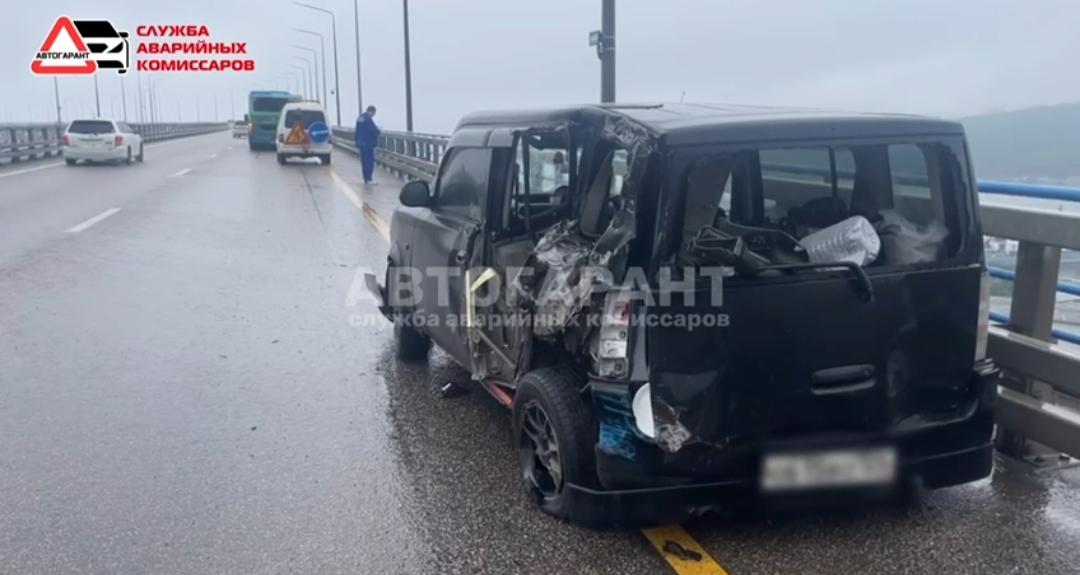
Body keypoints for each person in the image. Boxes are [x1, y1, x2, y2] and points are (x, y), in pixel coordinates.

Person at [355, 105, 380, 185]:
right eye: (374, 113)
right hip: (368, 144)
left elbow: (357, 130)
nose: (373, 115)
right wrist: (378, 130)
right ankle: (369, 179)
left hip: (361, 143)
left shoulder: (360, 118)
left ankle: (366, 178)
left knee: (364, 162)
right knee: (369, 161)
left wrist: (356, 141)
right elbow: (372, 130)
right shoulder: (368, 119)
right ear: (371, 111)